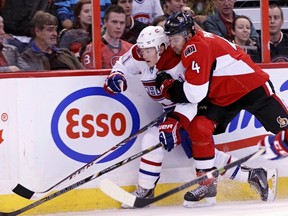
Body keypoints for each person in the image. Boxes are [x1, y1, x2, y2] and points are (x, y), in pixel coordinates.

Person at [103, 25, 277, 209]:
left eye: (148, 50)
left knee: (158, 142)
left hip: (191, 111)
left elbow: (192, 97)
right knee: (195, 152)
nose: (144, 54)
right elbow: (123, 63)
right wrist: (117, 76)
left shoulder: (178, 63)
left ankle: (147, 191)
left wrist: (175, 121)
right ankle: (254, 175)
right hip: (173, 113)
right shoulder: (140, 55)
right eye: (142, 49)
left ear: (161, 47)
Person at [157, 11, 287, 207]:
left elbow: (194, 94)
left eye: (174, 38)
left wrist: (168, 89)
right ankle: (207, 183)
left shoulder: (196, 46)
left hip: (252, 89)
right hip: (223, 97)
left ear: (188, 34)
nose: (172, 43)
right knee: (199, 127)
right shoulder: (190, 43)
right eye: (170, 39)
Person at [19, 11, 84, 71]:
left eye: (55, 30)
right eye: (50, 30)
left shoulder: (66, 54)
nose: (55, 34)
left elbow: (83, 74)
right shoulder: (27, 57)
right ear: (37, 31)